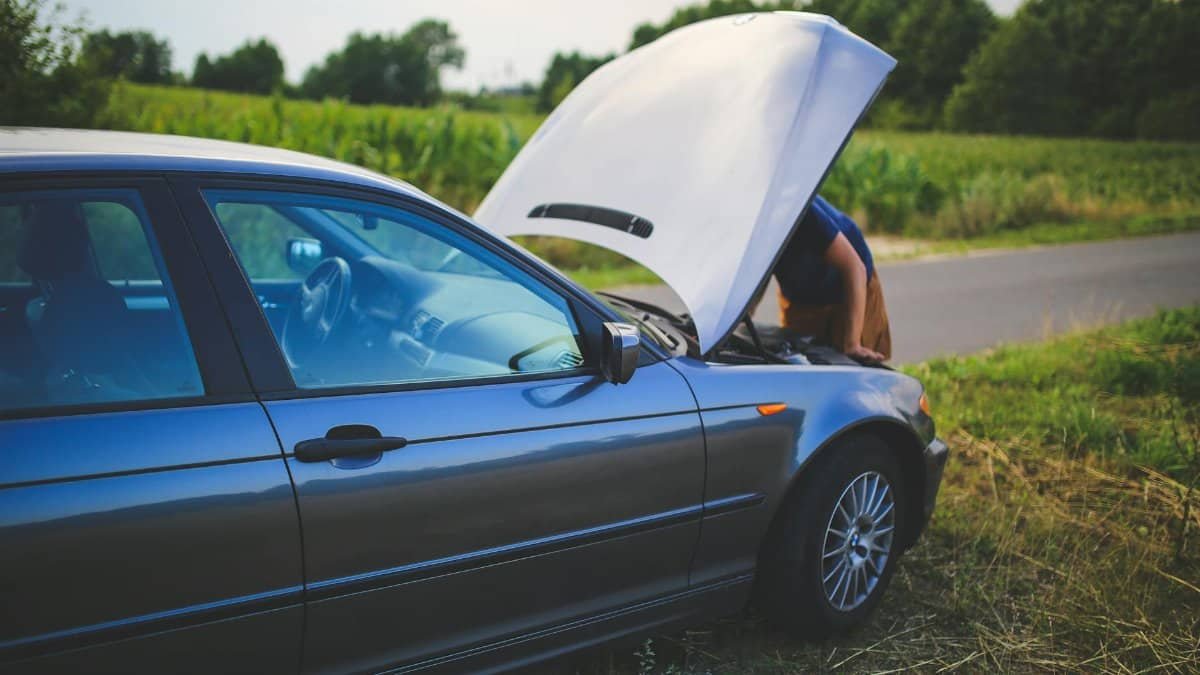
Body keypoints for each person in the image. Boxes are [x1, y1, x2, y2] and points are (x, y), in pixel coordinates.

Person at [770, 195, 891, 362]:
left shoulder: (799, 210)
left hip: (851, 287)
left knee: (854, 366)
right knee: (798, 364)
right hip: (800, 297)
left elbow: (854, 268)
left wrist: (853, 343)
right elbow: (755, 276)